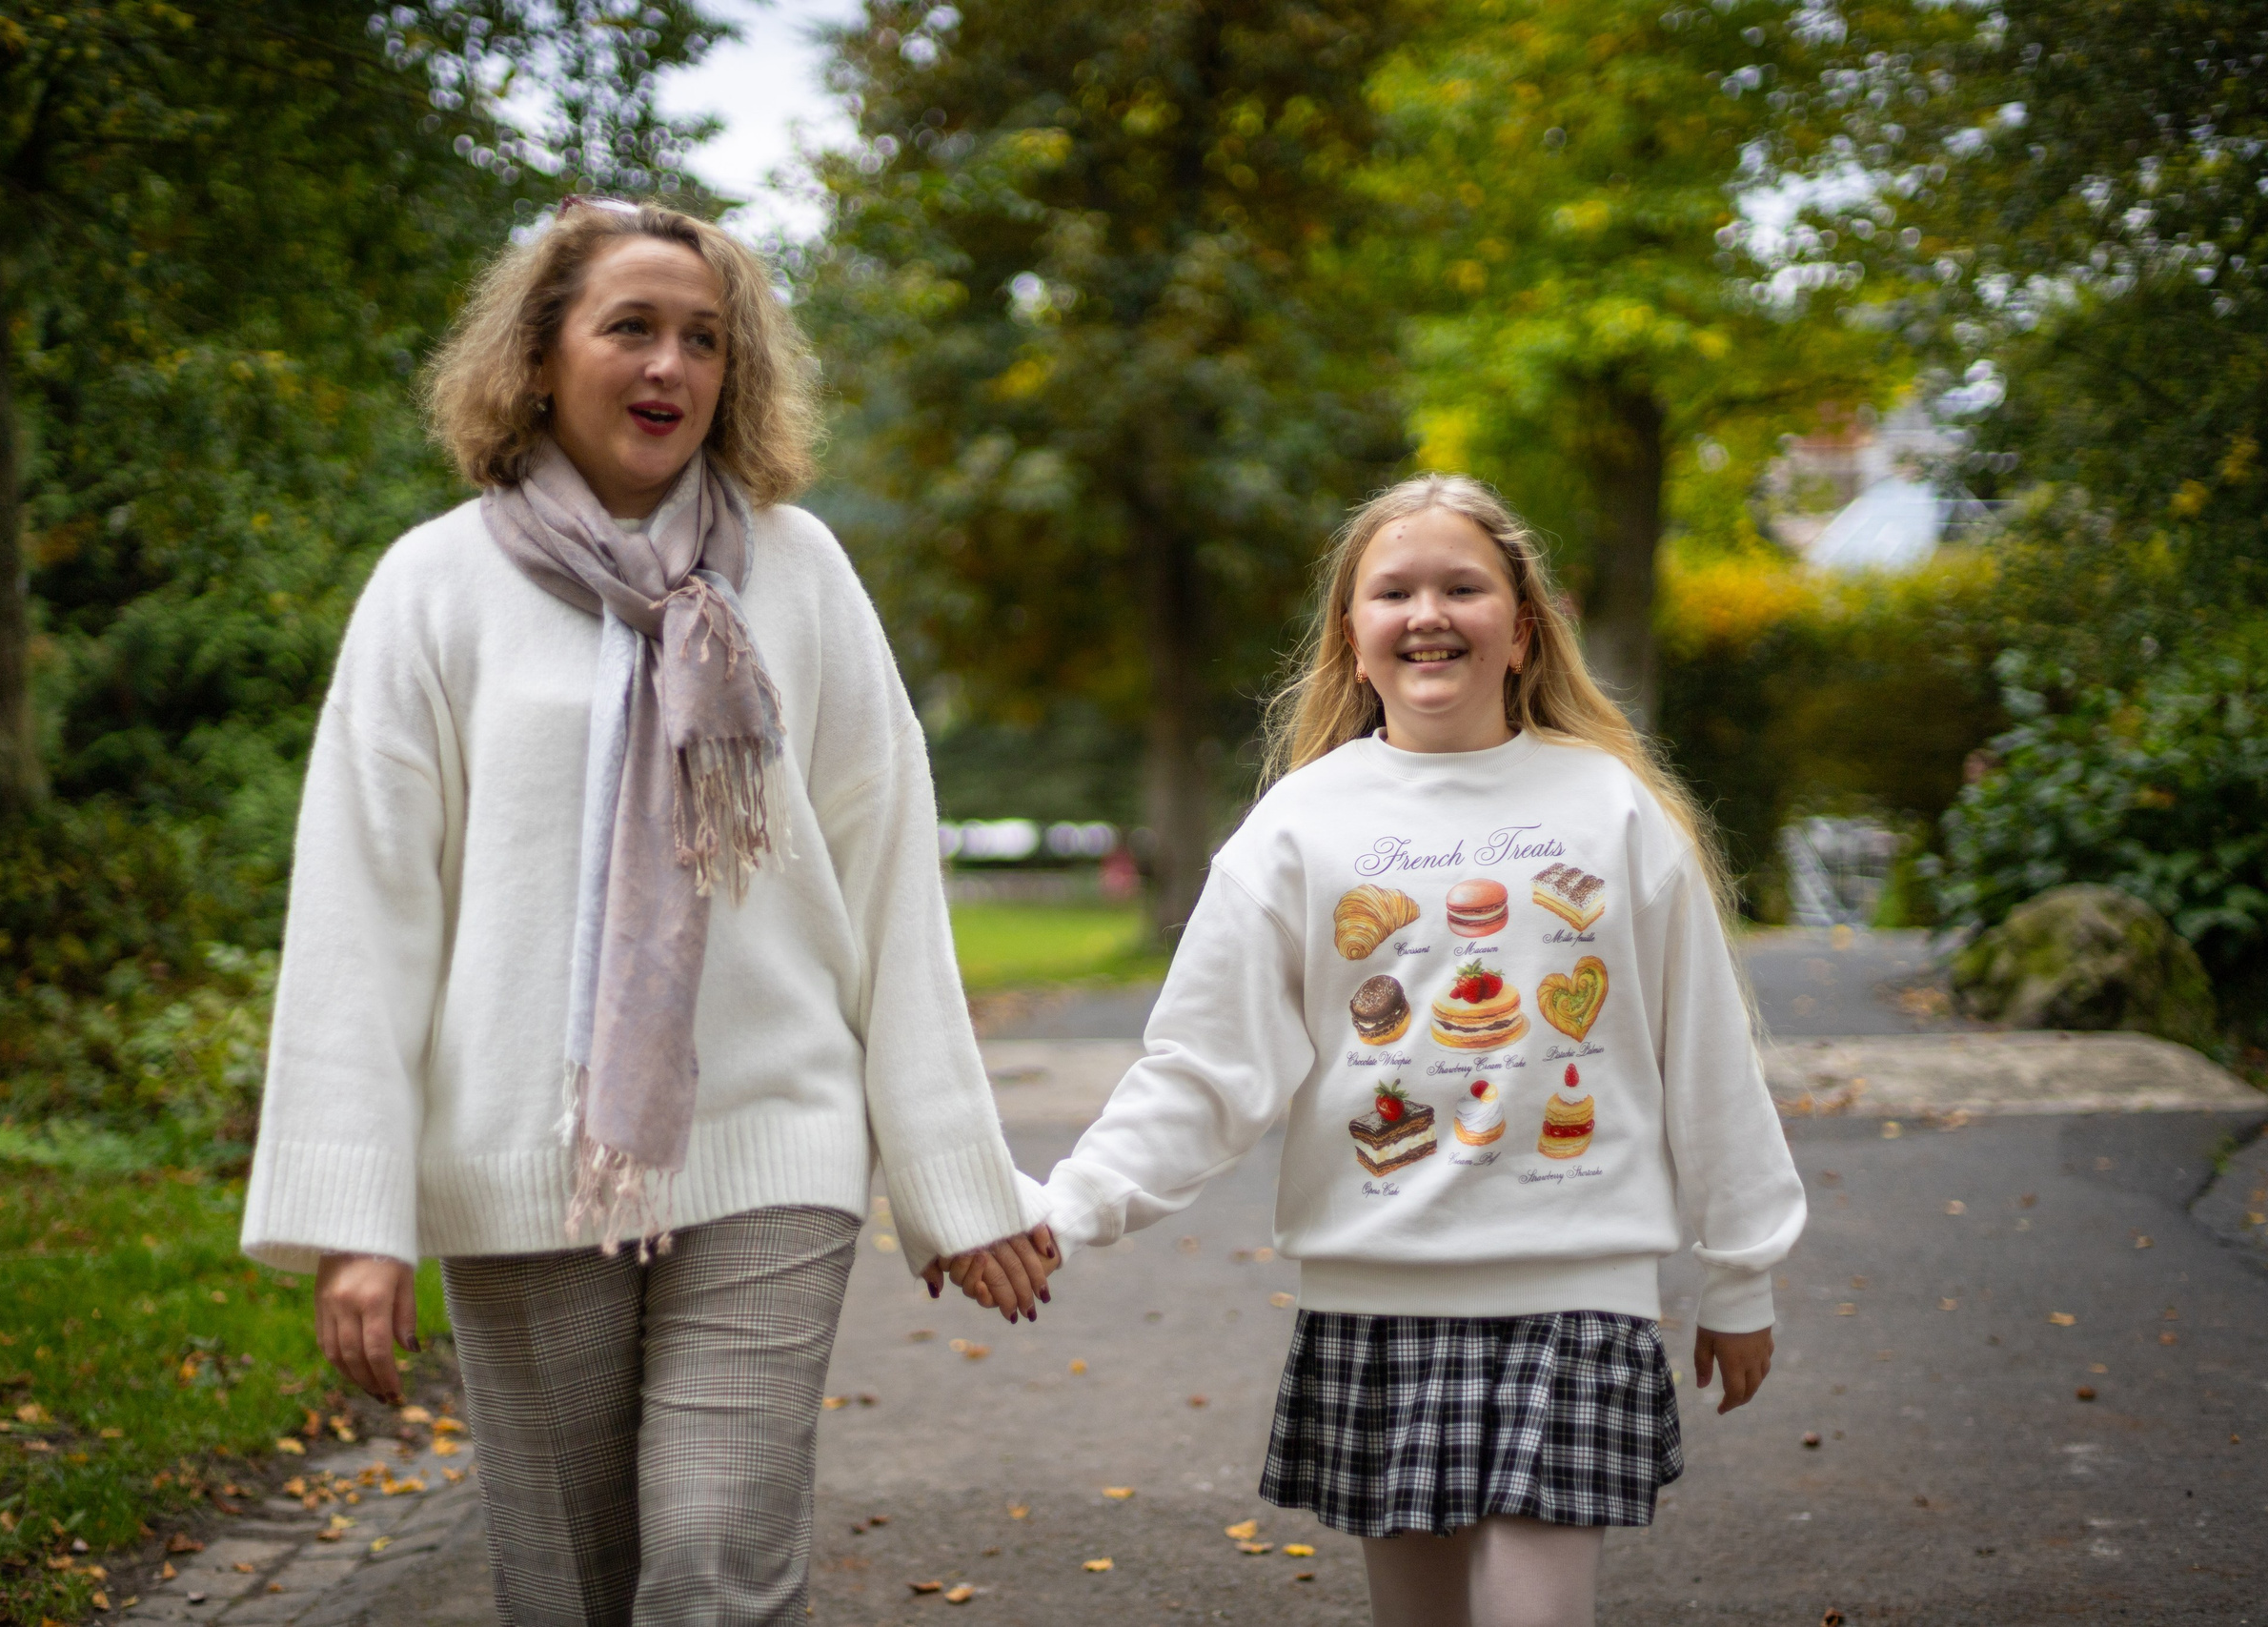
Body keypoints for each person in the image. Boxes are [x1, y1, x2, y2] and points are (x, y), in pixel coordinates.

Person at [238, 196, 1055, 1627]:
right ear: (541, 356)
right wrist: (355, 1212)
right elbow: (365, 913)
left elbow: (885, 874)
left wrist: (951, 1176)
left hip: (775, 1139)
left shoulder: (799, 574)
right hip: (521, 1156)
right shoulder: (433, 587)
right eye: (632, 327)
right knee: (569, 1582)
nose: (670, 364)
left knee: (714, 1562)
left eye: (705, 338)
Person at [1034, 475, 1806, 1627]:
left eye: (1463, 587)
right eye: (1392, 591)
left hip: (1576, 1287)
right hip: (1375, 1300)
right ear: (1353, 639)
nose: (1428, 612)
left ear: (1522, 627)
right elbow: (1205, 1066)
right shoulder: (1300, 824)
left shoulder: (1614, 808)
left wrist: (1742, 1271)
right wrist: (1069, 1207)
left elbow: (1704, 1049)